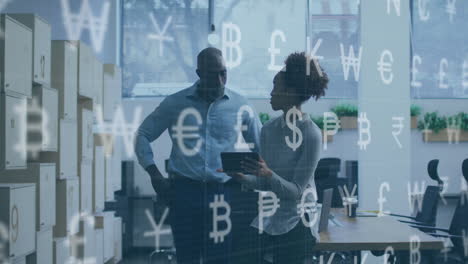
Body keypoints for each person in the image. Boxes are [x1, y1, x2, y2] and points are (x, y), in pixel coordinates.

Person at [134, 47, 261, 264]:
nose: (220, 81)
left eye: (224, 73)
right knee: (187, 258)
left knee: (219, 259)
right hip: (184, 192)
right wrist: (153, 172)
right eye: (213, 74)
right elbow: (142, 135)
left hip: (221, 193)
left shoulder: (241, 105)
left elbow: (261, 148)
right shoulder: (175, 103)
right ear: (199, 73)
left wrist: (251, 179)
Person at [219, 52, 328, 263]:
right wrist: (242, 177)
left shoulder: (311, 133)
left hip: (298, 221)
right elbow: (264, 183)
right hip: (269, 217)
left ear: (290, 92)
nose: (271, 93)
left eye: (276, 87)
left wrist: (268, 174)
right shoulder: (268, 129)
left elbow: (297, 192)